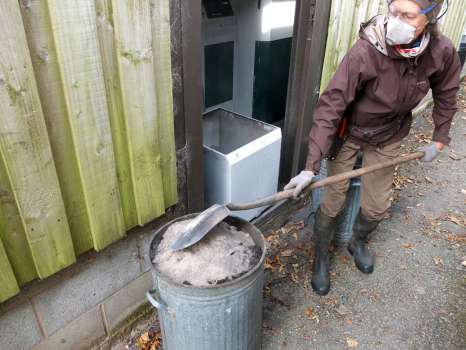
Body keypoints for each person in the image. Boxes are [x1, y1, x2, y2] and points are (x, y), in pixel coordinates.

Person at [285, 0, 461, 295]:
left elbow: (447, 92)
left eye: (407, 15)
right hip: (349, 133)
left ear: (431, 17)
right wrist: (310, 167)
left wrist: (440, 136)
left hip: (389, 135)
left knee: (377, 207)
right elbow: (331, 106)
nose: (396, 21)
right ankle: (321, 258)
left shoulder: (441, 51)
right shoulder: (367, 51)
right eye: (393, 11)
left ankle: (358, 242)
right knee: (332, 201)